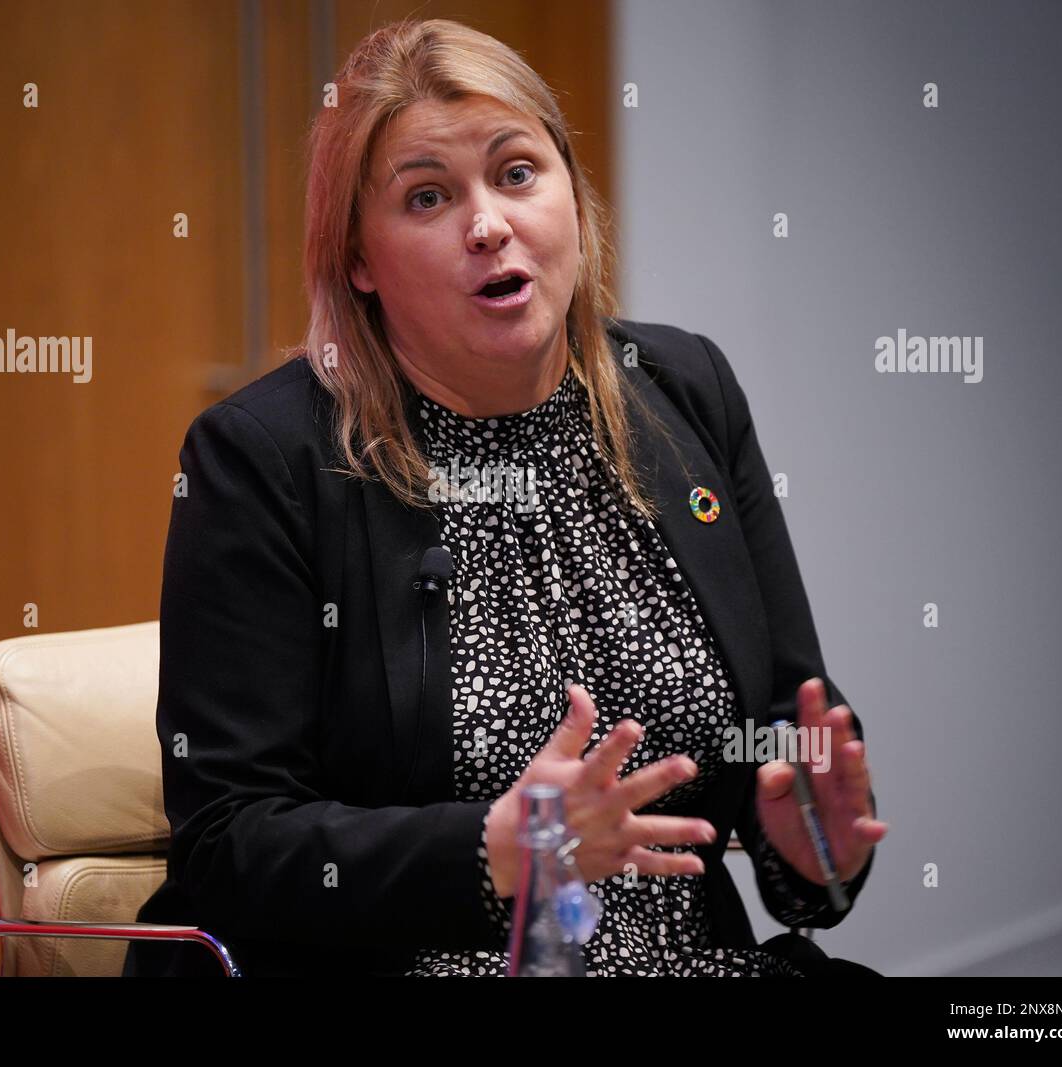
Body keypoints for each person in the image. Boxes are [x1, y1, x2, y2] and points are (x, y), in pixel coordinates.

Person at [124, 17, 888, 978]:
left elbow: (788, 721)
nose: (488, 223)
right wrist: (489, 852)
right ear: (358, 260)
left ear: (572, 193)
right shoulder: (266, 459)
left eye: (518, 173)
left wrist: (810, 846)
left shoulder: (686, 392)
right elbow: (228, 841)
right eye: (429, 196)